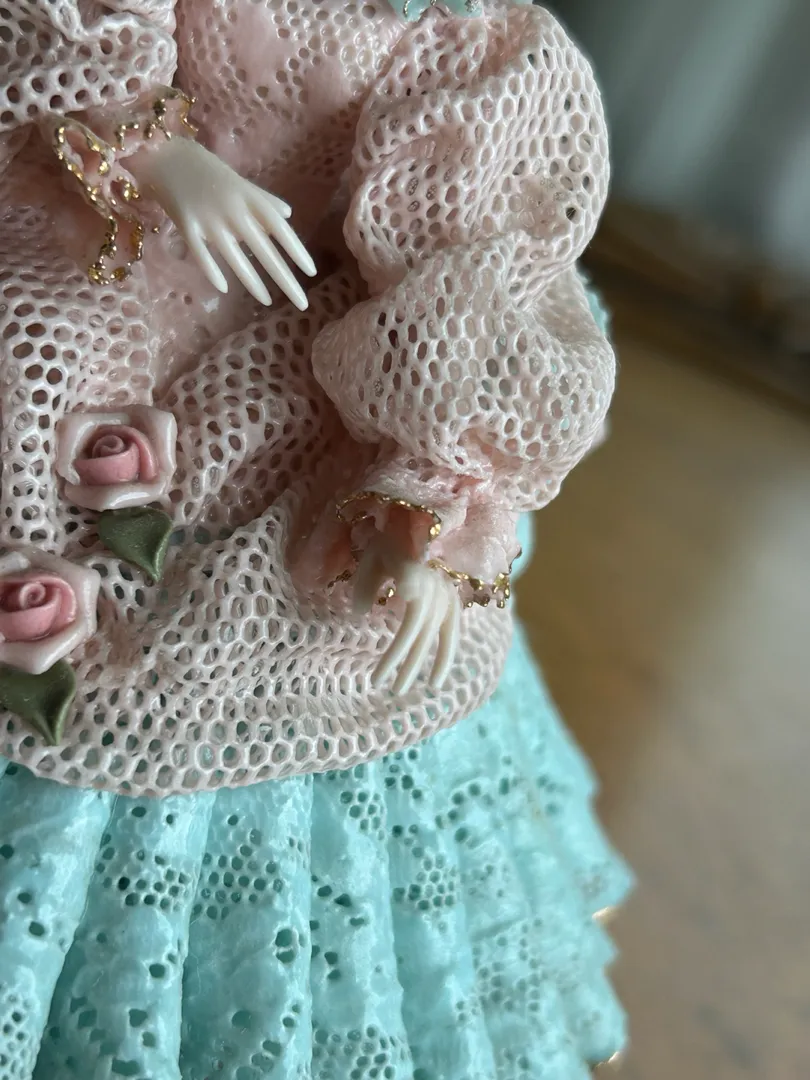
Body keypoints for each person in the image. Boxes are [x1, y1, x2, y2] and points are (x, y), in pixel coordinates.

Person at [0, 2, 629, 1075]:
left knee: (308, 613)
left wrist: (421, 495)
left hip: (311, 333)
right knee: (32, 379)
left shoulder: (467, 38)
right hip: (100, 234)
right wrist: (155, 147)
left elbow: (468, 259)